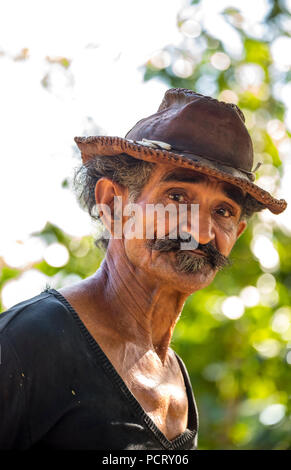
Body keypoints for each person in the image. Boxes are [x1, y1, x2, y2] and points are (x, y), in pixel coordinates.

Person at [0, 88, 287, 450]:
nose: (200, 232)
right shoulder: (27, 343)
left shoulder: (174, 376)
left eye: (223, 212)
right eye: (177, 197)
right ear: (113, 204)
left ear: (238, 232)